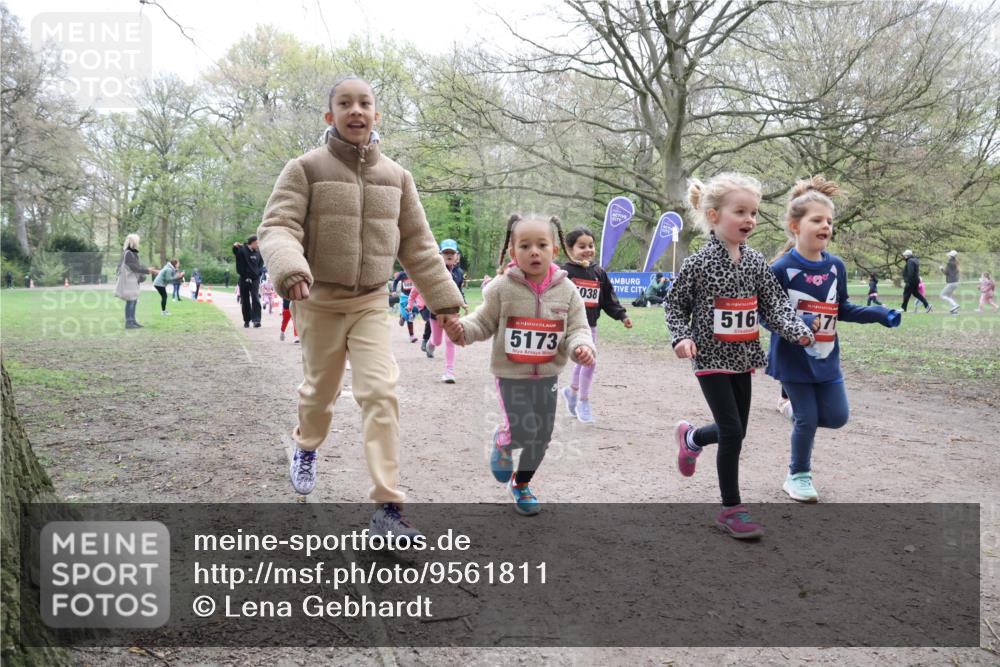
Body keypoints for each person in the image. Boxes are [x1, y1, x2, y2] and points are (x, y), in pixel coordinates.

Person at [257, 74, 464, 536]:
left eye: (364, 103)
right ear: (330, 116)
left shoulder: (397, 177)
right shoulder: (305, 168)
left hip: (371, 301)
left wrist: (445, 302)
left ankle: (387, 508)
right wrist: (291, 269)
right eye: (345, 104)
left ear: (376, 115)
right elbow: (277, 226)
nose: (356, 111)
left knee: (381, 394)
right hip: (318, 299)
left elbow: (419, 246)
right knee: (320, 392)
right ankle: (306, 445)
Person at [665, 173, 814, 540]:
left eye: (754, 213)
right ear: (714, 216)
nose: (750, 219)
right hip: (710, 357)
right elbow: (673, 305)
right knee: (732, 431)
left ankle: (692, 439)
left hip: (743, 357)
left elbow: (775, 303)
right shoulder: (699, 263)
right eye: (741, 212)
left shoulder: (755, 263)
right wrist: (681, 337)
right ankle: (731, 509)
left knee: (737, 431)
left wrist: (795, 329)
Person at [443, 214, 594, 515]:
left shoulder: (567, 290)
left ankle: (521, 483)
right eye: (525, 246)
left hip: (548, 375)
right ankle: (504, 440)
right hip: (511, 375)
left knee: (543, 437)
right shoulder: (502, 288)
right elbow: (483, 321)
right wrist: (463, 331)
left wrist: (581, 347)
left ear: (555, 250)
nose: (534, 252)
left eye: (541, 245)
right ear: (513, 252)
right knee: (524, 431)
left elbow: (578, 328)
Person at [766, 176, 900, 503]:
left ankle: (794, 412)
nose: (825, 226)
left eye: (829, 221)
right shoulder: (782, 268)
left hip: (827, 356)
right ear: (795, 226)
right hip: (792, 358)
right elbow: (765, 315)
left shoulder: (836, 266)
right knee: (809, 419)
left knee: (838, 417)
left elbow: (842, 309)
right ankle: (797, 476)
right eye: (817, 220)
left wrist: (878, 314)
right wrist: (800, 323)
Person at [560, 226, 632, 424]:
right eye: (582, 246)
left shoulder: (599, 273)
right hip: (569, 327)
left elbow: (608, 299)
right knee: (588, 361)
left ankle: (573, 393)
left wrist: (622, 315)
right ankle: (582, 400)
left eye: (591, 245)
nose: (588, 250)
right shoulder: (564, 273)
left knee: (586, 360)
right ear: (569, 248)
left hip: (589, 326)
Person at [426, 239, 467, 383]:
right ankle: (430, 343)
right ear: (440, 255)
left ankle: (449, 372)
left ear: (457, 256)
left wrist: (463, 303)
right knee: (437, 341)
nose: (449, 255)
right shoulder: (435, 271)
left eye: (452, 253)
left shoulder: (459, 272)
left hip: (452, 312)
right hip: (436, 312)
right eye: (445, 253)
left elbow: (459, 290)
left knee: (450, 340)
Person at [113, 233, 154, 329]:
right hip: (129, 281)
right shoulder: (128, 253)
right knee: (131, 301)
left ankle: (133, 321)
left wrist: (147, 269)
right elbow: (135, 268)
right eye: (138, 241)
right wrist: (148, 270)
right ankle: (129, 323)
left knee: (133, 301)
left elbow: (137, 266)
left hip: (132, 281)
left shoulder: (131, 253)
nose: (139, 243)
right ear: (134, 242)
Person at [233, 236, 263, 328]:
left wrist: (258, 274)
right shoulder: (242, 250)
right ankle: (247, 320)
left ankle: (256, 320)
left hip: (255, 279)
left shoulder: (258, 252)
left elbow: (260, 265)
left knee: (255, 298)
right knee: (245, 300)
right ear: (252, 243)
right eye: (256, 243)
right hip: (244, 278)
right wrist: (234, 247)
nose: (257, 245)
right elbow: (236, 253)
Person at [391, 269, 418, 342]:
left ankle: (403, 317)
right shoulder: (402, 274)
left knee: (412, 314)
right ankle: (412, 336)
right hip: (405, 296)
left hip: (415, 297)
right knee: (410, 315)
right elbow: (395, 281)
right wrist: (393, 290)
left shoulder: (417, 272)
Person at [939, 250, 961, 314]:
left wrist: (941, 269)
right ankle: (954, 311)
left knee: (942, 295)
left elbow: (946, 273)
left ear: (951, 256)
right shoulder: (956, 262)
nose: (948, 256)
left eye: (949, 256)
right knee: (949, 296)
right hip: (956, 282)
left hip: (951, 282)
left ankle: (955, 305)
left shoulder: (949, 263)